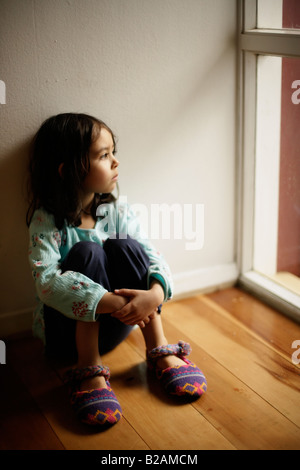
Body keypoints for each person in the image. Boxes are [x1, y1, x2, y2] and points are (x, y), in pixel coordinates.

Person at [27, 113, 207, 427]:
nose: (116, 163)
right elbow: (45, 281)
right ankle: (90, 369)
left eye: (114, 152)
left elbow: (151, 255)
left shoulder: (116, 213)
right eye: (104, 155)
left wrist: (154, 293)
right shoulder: (47, 221)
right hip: (67, 338)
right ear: (68, 170)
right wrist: (104, 301)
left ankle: (158, 347)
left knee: (126, 246)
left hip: (122, 322)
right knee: (87, 252)